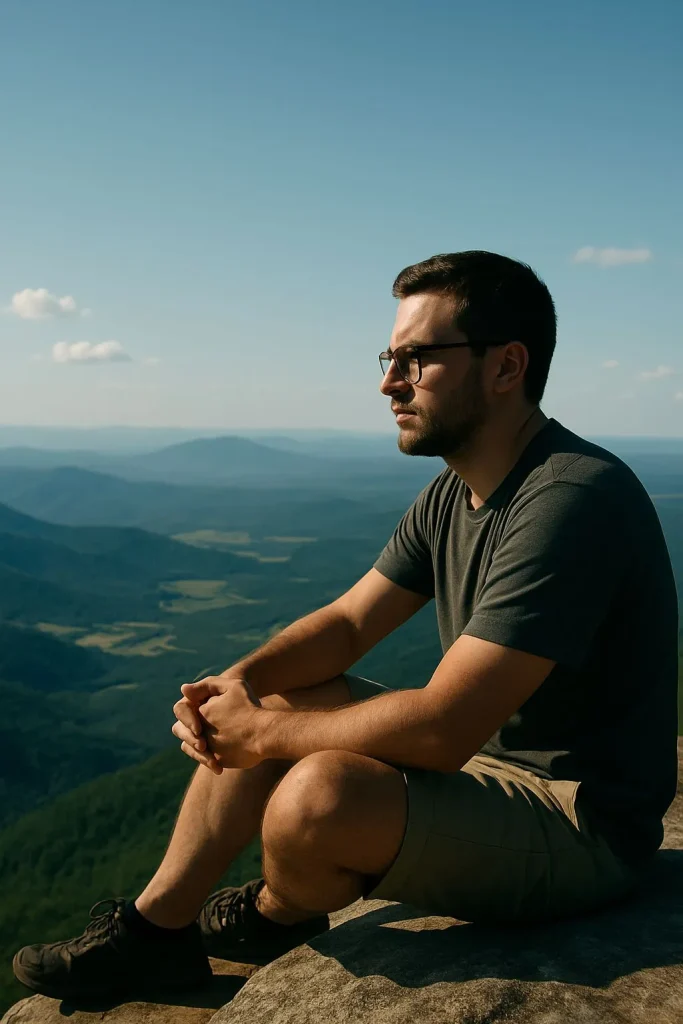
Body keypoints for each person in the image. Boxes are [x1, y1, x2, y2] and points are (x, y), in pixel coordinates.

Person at [13, 251, 679, 1002]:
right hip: (489, 778)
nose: (389, 382)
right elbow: (348, 622)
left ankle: (276, 915)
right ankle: (154, 931)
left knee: (318, 794)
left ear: (506, 366)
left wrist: (263, 734)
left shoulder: (571, 497)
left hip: (580, 822)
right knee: (281, 698)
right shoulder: (455, 492)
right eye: (389, 359)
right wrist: (238, 686)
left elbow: (444, 729)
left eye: (416, 359)